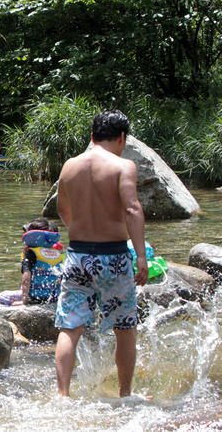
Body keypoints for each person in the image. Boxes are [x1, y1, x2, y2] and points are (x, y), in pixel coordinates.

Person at [54, 109, 148, 398]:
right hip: (114, 257)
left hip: (78, 255)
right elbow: (132, 208)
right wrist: (141, 256)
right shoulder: (123, 166)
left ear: (92, 136)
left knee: (70, 327)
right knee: (124, 327)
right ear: (121, 138)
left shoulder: (70, 166)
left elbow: (61, 208)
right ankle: (125, 394)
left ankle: (62, 396)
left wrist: (78, 230)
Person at [0, 218, 65, 307]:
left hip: (33, 298)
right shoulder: (58, 253)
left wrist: (25, 300)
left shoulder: (30, 253)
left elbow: (26, 278)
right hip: (53, 298)